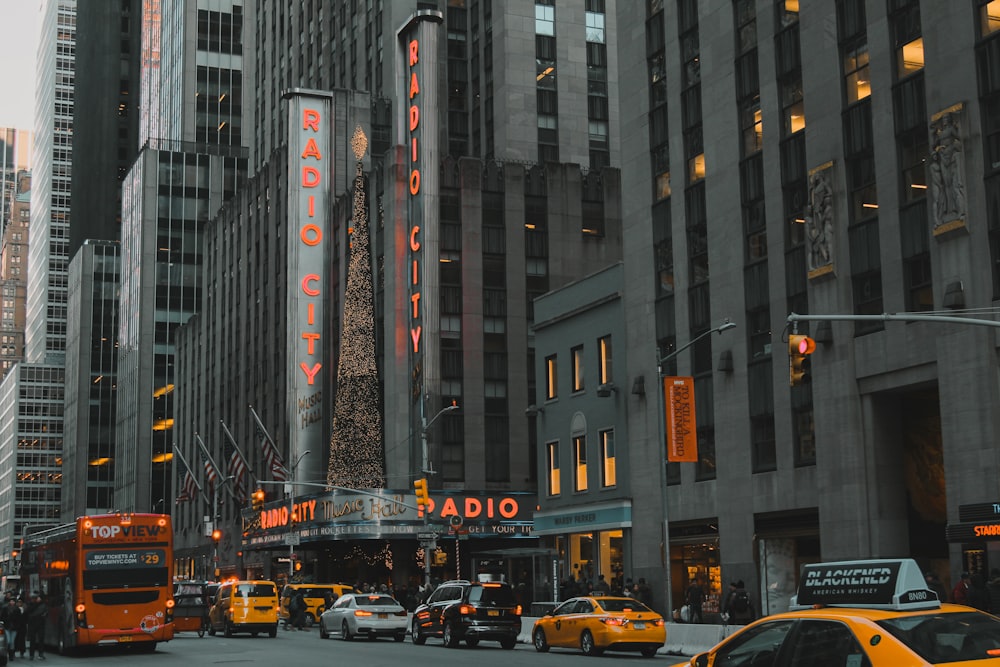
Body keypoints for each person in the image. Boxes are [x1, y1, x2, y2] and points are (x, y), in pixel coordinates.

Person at [26, 593, 46, 660]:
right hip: (33, 624)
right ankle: (31, 655)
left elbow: (45, 612)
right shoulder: (31, 604)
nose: (37, 599)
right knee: (32, 640)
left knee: (41, 639)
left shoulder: (42, 604)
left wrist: (45, 615)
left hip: (40, 624)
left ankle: (41, 653)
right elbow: (28, 611)